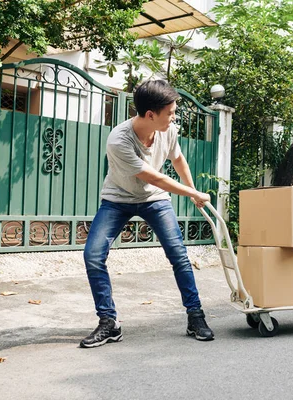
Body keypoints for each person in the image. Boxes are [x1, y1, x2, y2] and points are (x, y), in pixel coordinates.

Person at [80, 80, 214, 348]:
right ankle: (109, 323)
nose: (174, 117)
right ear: (150, 114)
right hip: (118, 199)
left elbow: (177, 159)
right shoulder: (119, 140)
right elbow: (155, 177)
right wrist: (191, 195)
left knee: (179, 255)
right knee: (93, 255)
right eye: (170, 112)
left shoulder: (168, 130)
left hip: (154, 200)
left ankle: (195, 316)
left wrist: (192, 188)